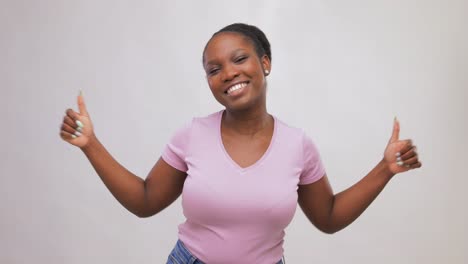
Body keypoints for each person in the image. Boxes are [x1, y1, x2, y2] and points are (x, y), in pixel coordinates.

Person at [60, 23, 422, 264]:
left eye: (239, 59)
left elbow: (327, 217)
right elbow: (144, 201)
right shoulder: (191, 134)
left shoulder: (298, 145)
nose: (228, 73)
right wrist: (90, 143)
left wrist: (386, 169)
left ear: (265, 63)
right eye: (213, 69)